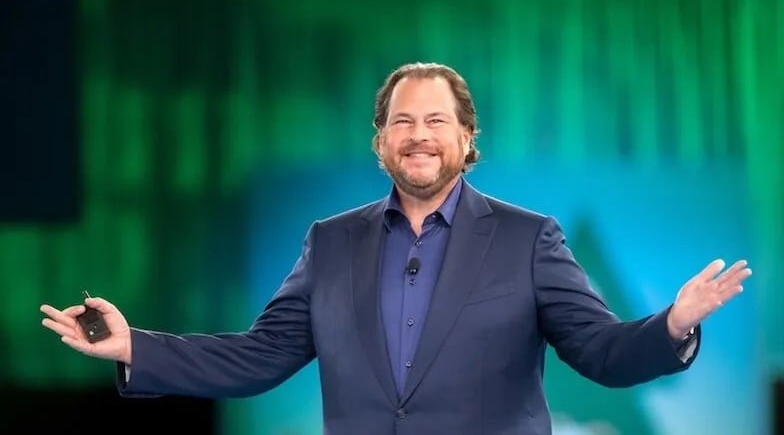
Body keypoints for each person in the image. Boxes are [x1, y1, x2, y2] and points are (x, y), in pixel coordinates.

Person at [40, 62, 751, 435]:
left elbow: (601, 352)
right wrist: (136, 347)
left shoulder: (529, 239)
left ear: (467, 139)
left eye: (437, 121)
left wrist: (672, 325)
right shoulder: (330, 242)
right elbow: (258, 357)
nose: (419, 135)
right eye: (402, 121)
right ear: (380, 142)